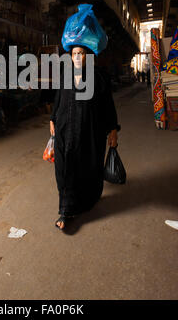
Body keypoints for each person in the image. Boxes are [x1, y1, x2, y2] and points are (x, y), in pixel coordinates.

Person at [49, 46, 120, 230]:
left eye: (81, 53)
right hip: (65, 130)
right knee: (64, 169)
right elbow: (58, 98)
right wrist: (52, 119)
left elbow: (107, 105)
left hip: (89, 132)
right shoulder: (65, 75)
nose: (77, 57)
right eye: (74, 54)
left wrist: (113, 129)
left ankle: (88, 200)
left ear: (87, 56)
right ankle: (66, 210)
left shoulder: (98, 77)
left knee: (87, 168)